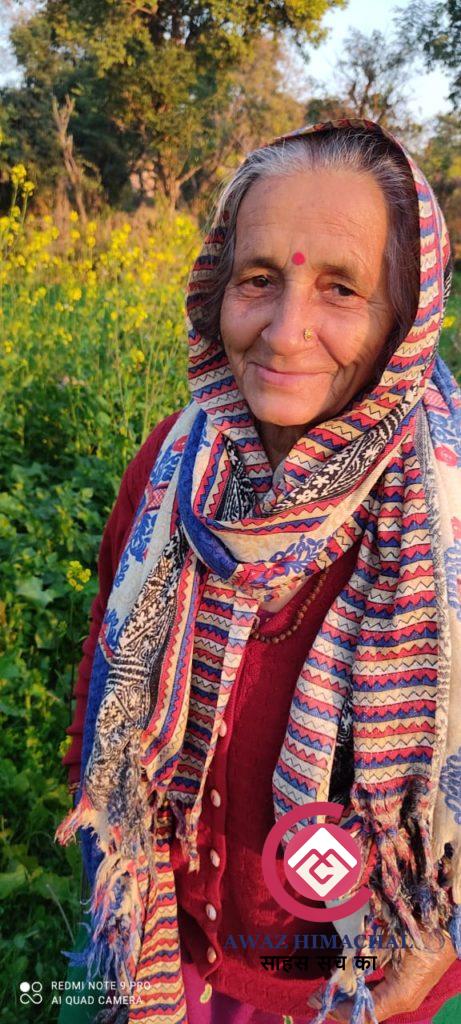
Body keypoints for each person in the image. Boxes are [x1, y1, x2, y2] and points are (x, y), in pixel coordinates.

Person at [57, 119, 461, 1024]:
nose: (284, 333)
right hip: (174, 945)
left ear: (406, 315)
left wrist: (435, 940)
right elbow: (106, 660)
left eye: (341, 288)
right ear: (217, 290)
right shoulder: (171, 469)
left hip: (366, 985)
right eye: (258, 279)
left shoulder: (447, 511)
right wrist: (106, 822)